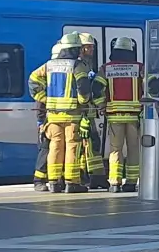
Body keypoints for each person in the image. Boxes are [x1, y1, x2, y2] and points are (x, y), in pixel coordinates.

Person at [30, 33, 103, 193]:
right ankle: (72, 182)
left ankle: (54, 182)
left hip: (53, 116)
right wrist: (84, 102)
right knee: (72, 147)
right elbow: (83, 89)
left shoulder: (49, 65)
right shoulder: (77, 66)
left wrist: (46, 98)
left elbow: (33, 80)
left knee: (55, 147)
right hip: (72, 116)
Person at [102, 37, 144, 193]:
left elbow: (98, 88)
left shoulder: (106, 68)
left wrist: (101, 104)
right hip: (134, 117)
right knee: (134, 149)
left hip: (114, 117)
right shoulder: (140, 68)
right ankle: (132, 182)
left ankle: (115, 182)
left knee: (115, 150)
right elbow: (153, 84)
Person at [29, 43, 64, 191]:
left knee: (55, 149)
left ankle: (55, 179)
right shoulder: (46, 85)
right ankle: (39, 180)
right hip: (47, 120)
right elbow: (40, 105)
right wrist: (40, 121)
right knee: (45, 149)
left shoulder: (54, 81)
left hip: (53, 119)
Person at [78, 35, 109, 190]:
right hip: (82, 114)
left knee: (91, 147)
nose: (91, 49)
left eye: (92, 47)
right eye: (88, 47)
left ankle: (95, 177)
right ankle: (88, 177)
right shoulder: (78, 65)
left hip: (88, 114)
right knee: (86, 147)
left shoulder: (86, 64)